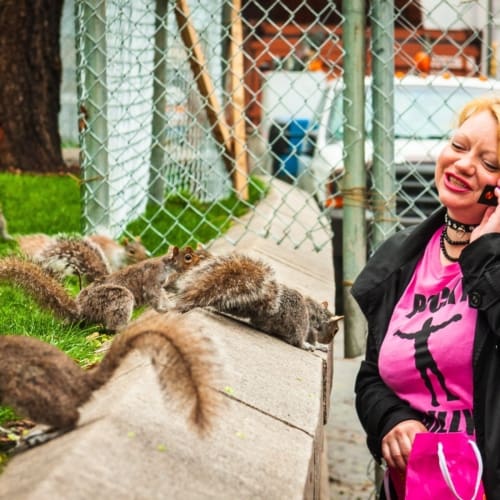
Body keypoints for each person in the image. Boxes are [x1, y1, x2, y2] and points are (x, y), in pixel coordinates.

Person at [352, 94, 500, 498]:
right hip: (419, 484)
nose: (464, 165)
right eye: (458, 146)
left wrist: (487, 257)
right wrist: (392, 419)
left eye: (490, 164)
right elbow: (372, 375)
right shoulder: (402, 258)